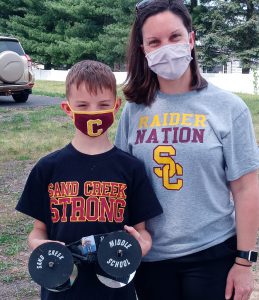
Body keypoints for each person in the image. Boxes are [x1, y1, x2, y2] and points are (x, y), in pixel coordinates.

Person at [115, 1, 259, 300]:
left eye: (175, 37)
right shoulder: (133, 112)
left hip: (212, 253)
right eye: (154, 41)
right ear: (144, 49)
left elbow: (246, 188)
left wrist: (244, 262)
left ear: (191, 40)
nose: (166, 47)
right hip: (151, 257)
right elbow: (123, 184)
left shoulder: (229, 108)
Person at [16, 60, 163, 300]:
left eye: (103, 104)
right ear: (68, 108)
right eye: (83, 105)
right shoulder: (48, 168)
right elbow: (37, 232)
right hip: (62, 289)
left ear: (116, 107)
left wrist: (141, 246)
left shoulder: (131, 169)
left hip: (115, 289)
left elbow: (142, 232)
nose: (93, 112)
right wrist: (40, 246)